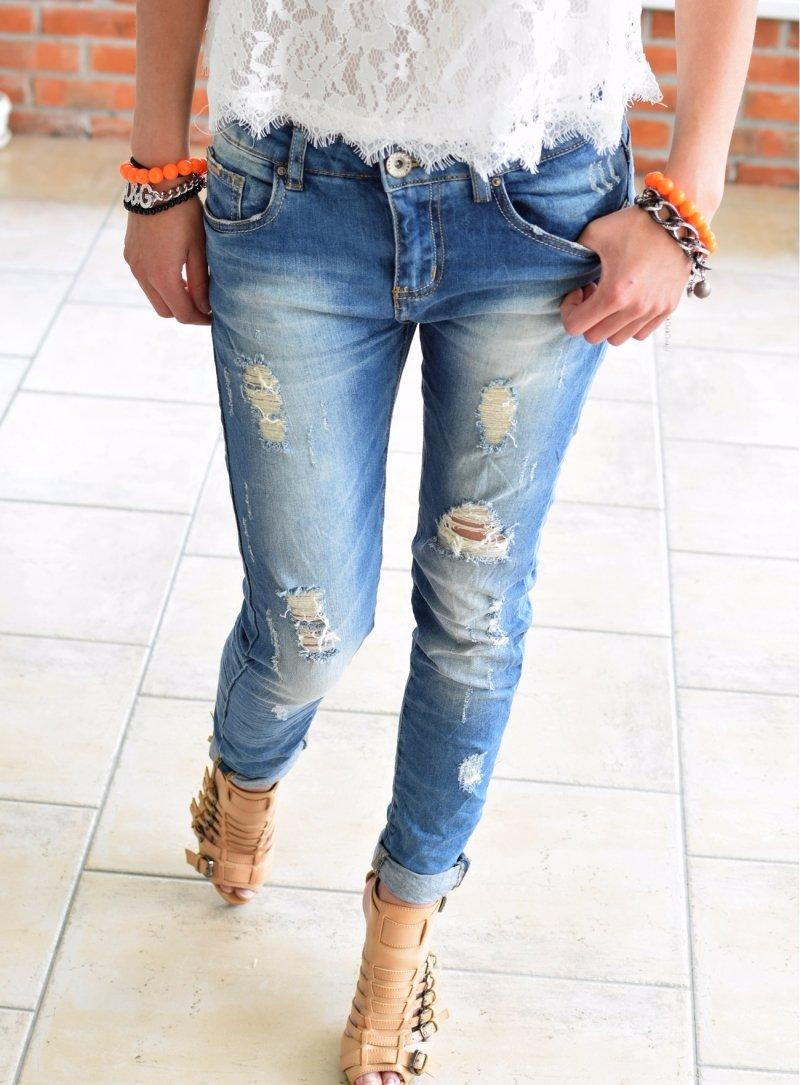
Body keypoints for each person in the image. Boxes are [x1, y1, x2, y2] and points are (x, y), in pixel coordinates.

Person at [123, 2, 757, 1080]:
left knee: (474, 606)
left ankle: (401, 933)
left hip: (541, 200)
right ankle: (245, 765)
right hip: (292, 185)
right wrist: (155, 173)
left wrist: (687, 198)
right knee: (307, 620)